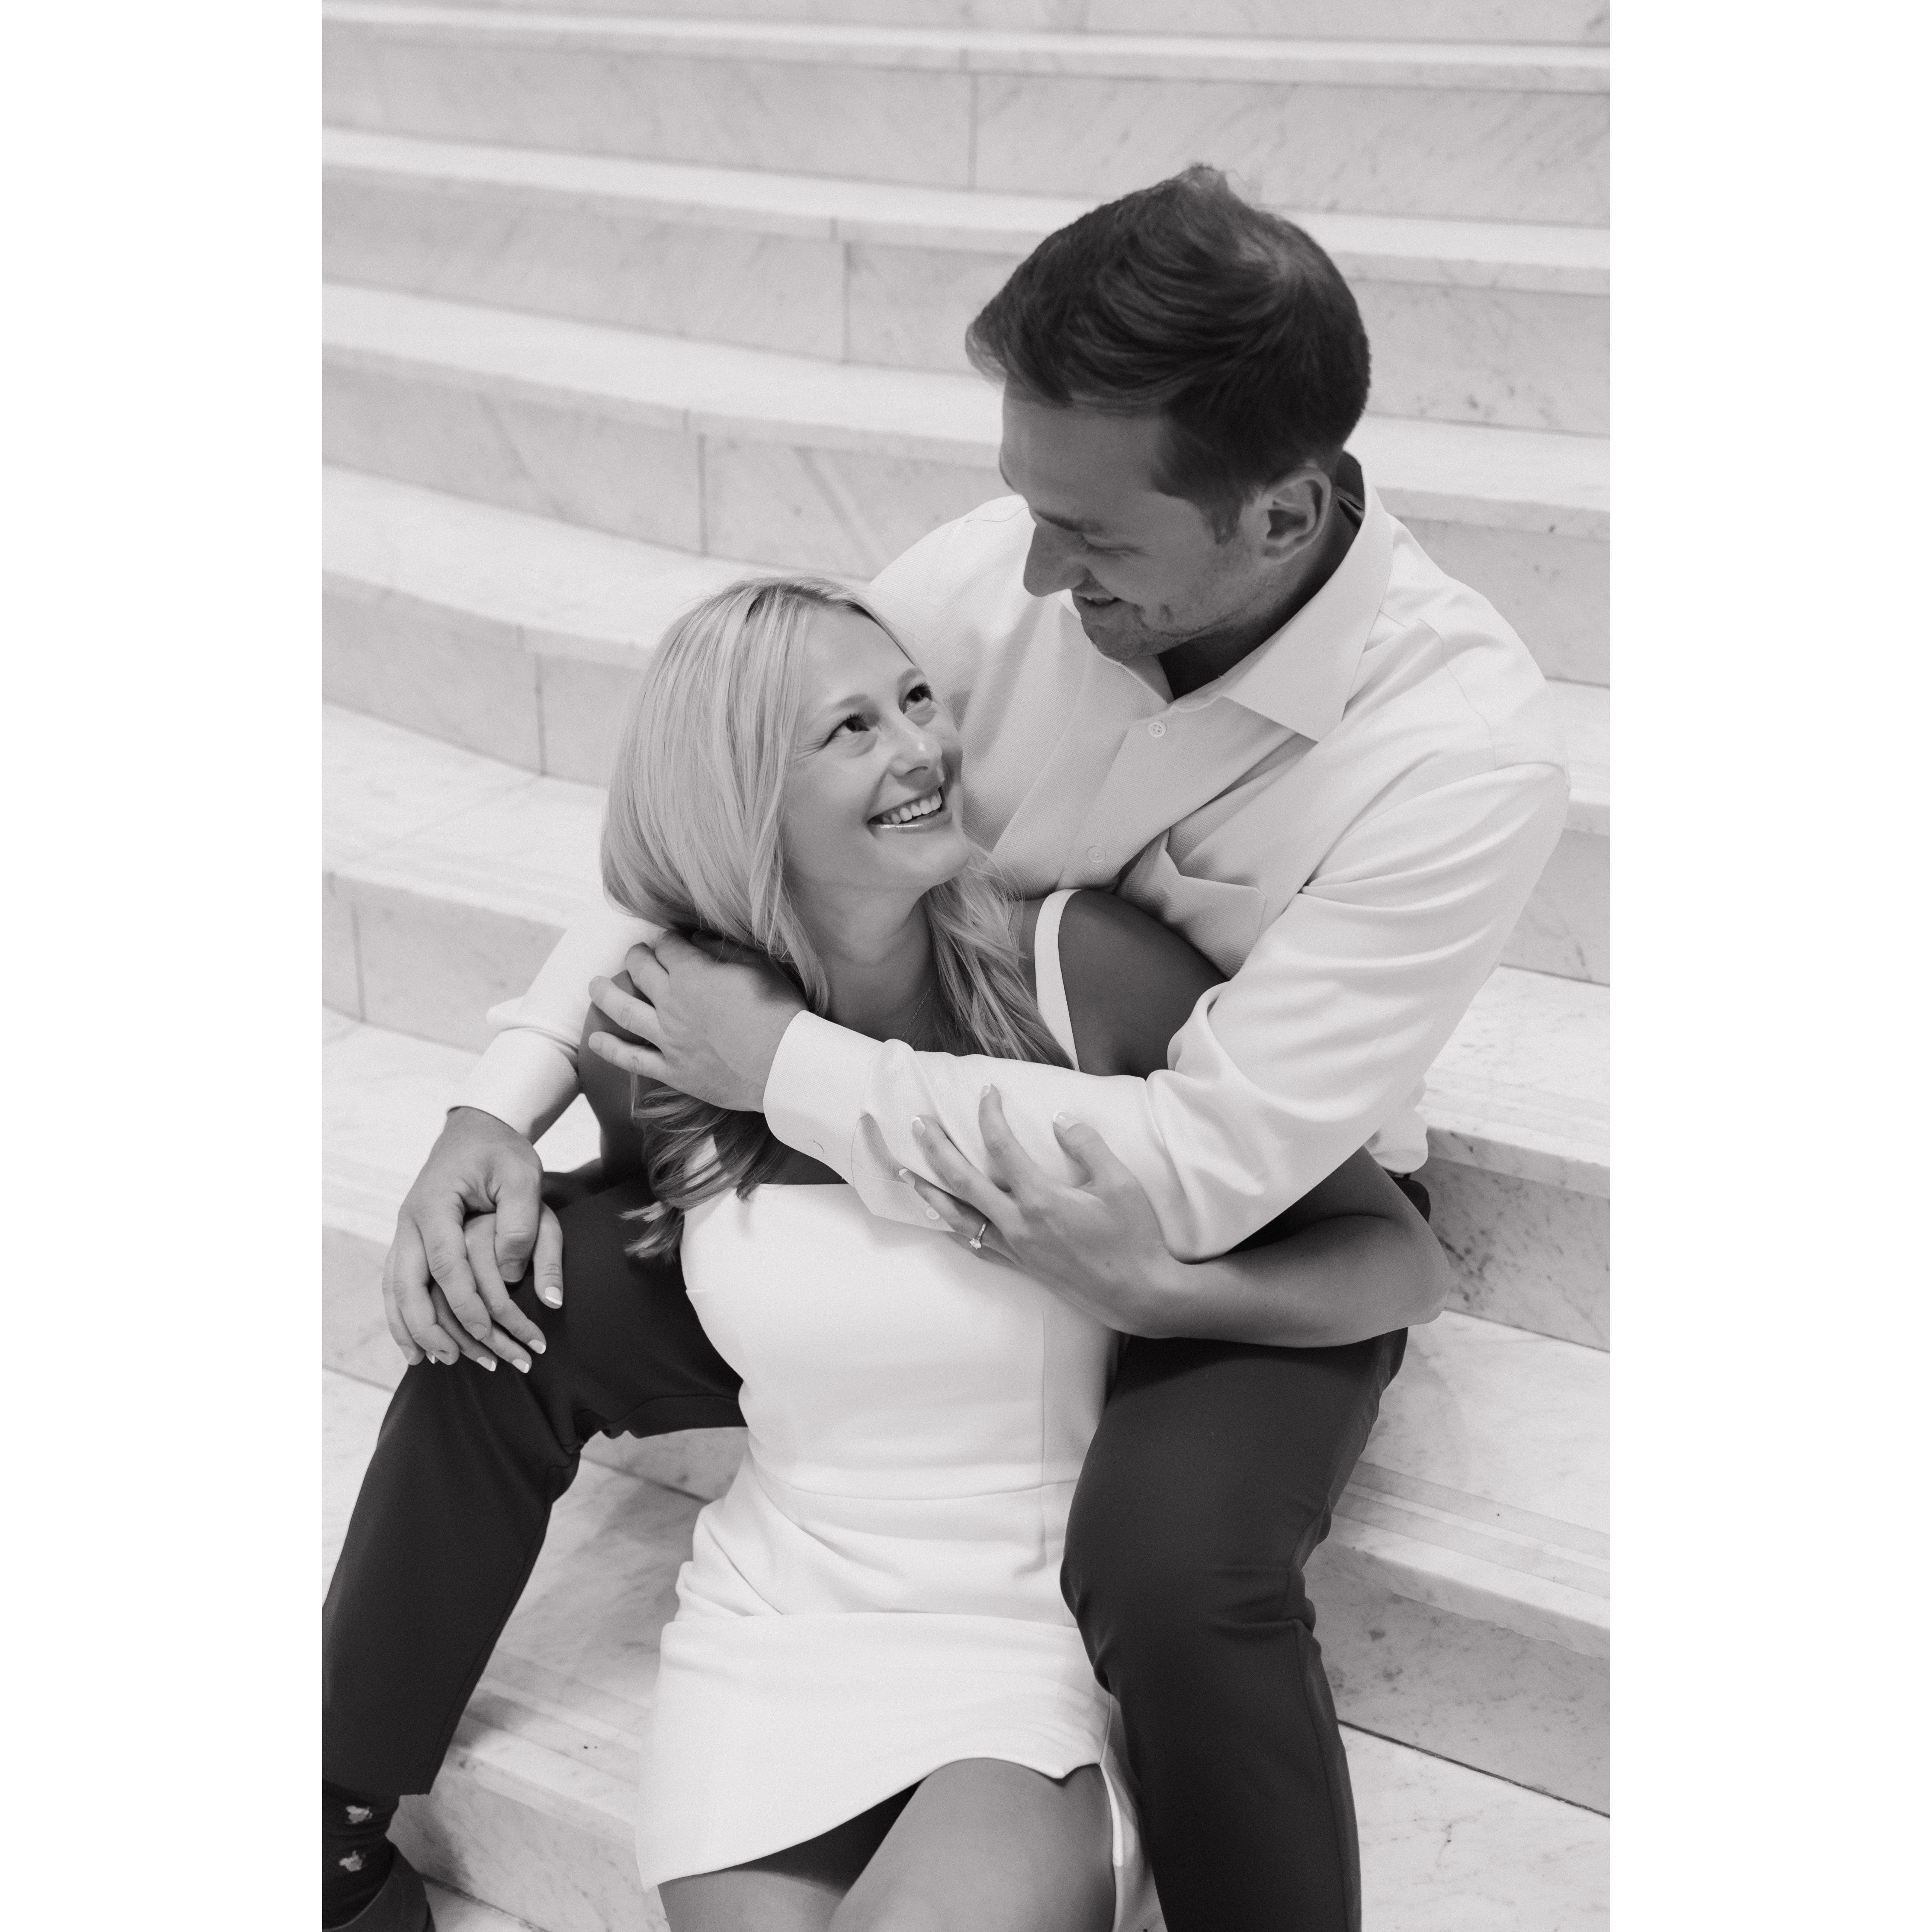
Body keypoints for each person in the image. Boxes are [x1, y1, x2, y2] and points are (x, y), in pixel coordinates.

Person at [325, 166, 1569, 1932]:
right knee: (501, 1308)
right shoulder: (1012, 565)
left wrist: (783, 1070)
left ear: (1284, 514)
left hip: (1234, 1210)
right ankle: (325, 1810)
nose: (1035, 572)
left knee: (1178, 1566)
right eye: (1028, 507)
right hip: (897, 1097)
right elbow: (720, 806)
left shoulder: (1458, 753)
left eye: (1094, 539)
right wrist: (501, 1096)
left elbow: (1207, 1167)